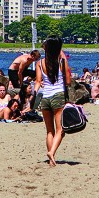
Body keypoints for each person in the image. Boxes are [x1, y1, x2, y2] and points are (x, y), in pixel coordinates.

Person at [35, 36, 71, 167]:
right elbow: (67, 81)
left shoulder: (40, 63)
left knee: (49, 131)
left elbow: (38, 81)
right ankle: (52, 152)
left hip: (45, 97)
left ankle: (51, 160)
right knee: (61, 130)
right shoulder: (62, 61)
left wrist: (34, 94)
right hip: (58, 96)